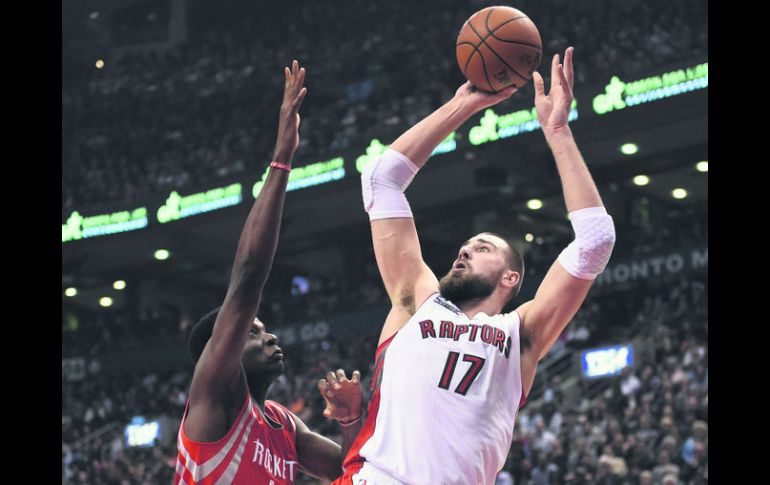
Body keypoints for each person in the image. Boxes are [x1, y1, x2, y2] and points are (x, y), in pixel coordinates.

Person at [333, 47, 616, 484]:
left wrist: (557, 131)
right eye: (465, 246)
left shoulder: (519, 336)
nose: (464, 251)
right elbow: (381, 178)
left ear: (511, 277)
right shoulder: (415, 302)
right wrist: (465, 103)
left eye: (482, 248)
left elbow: (596, 241)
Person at [174, 61, 363, 485]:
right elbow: (247, 278)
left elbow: (354, 473)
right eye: (254, 333)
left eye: (262, 329)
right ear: (220, 350)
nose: (270, 336)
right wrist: (281, 159)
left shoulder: (283, 424)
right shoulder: (215, 394)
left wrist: (351, 420)